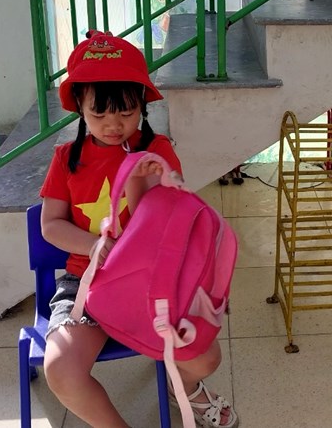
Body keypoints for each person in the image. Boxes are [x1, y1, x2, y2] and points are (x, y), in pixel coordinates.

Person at [39, 30, 238, 428]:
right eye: (99, 114)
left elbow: (170, 224)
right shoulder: (66, 158)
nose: (114, 125)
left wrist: (136, 180)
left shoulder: (157, 151)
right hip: (86, 283)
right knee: (61, 370)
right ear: (79, 106)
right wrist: (95, 245)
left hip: (154, 280)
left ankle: (185, 388)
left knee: (205, 358)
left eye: (126, 113)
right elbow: (51, 225)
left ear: (142, 106)